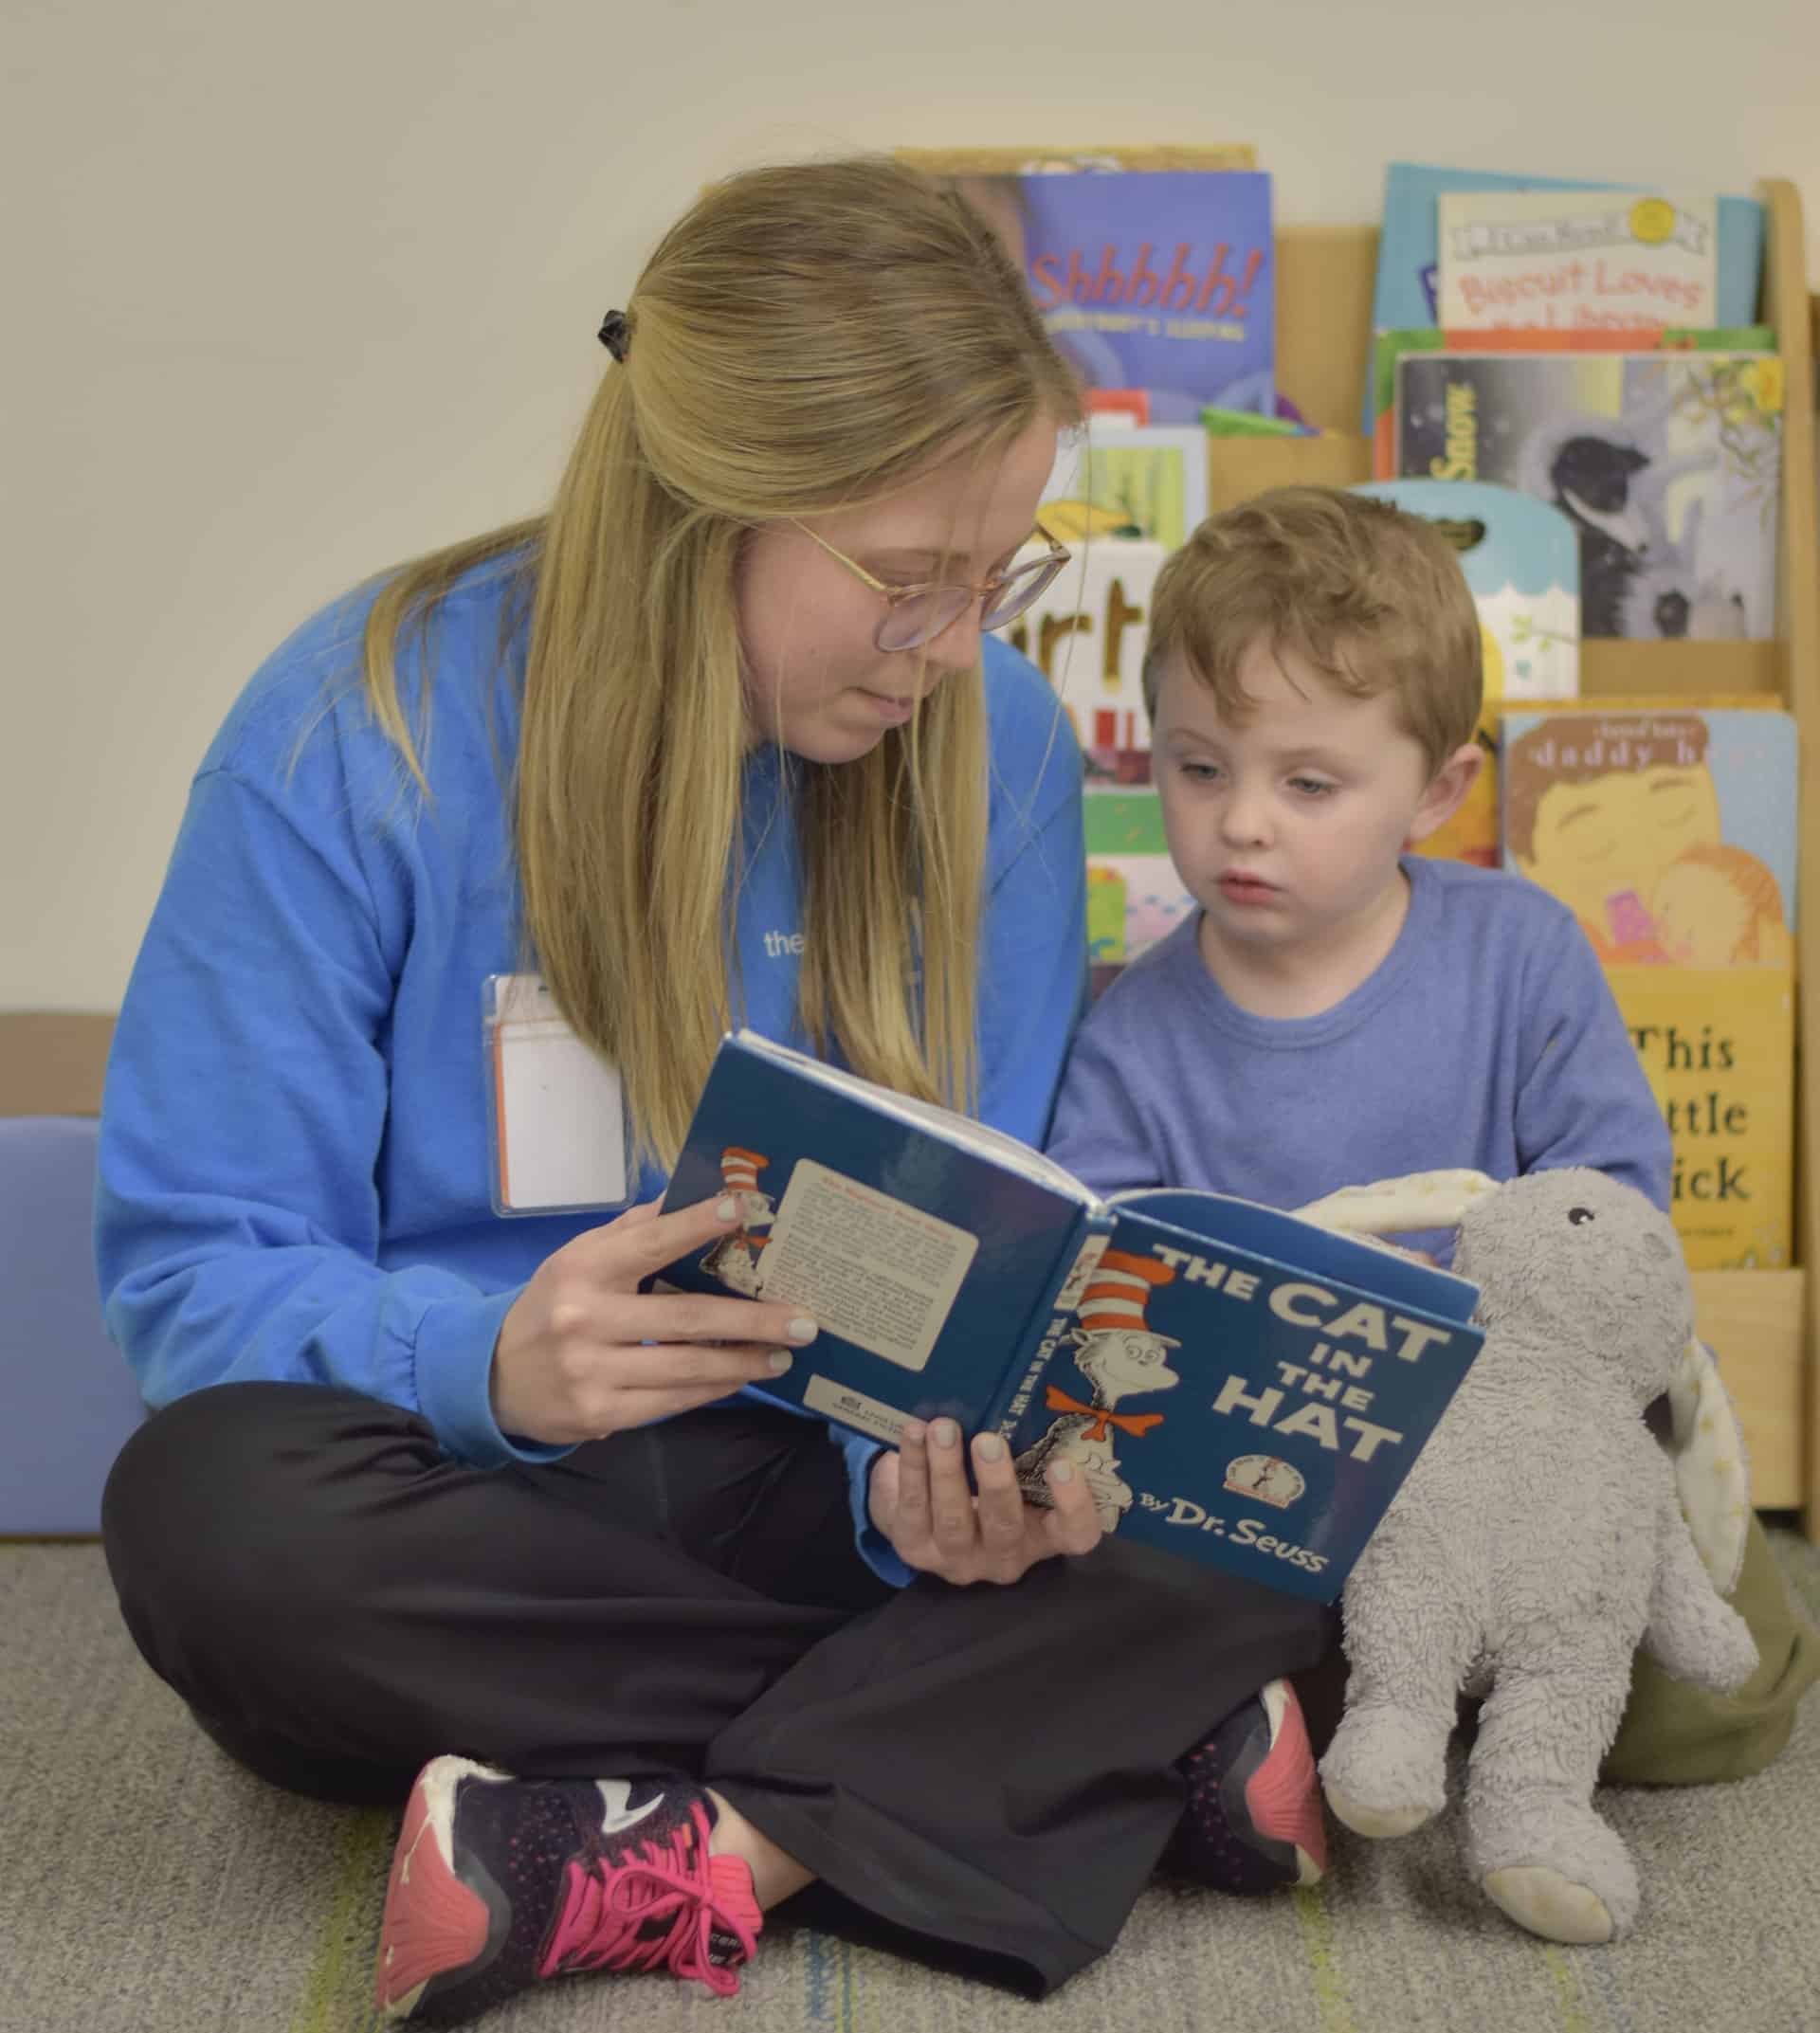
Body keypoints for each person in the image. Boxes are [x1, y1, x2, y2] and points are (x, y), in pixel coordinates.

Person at [96, 159, 1335, 2030]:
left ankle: (692, 1839)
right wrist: (493, 1360)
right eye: (909, 584)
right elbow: (196, 1271)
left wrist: (940, 1503)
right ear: (706, 503)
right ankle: (1076, 1732)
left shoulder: (986, 745)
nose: (954, 646)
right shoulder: (360, 727)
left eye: (999, 575)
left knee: (1277, 1504)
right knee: (209, 1525)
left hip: (810, 1493)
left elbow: (996, 1228)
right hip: (475, 1489)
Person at [1045, 483, 1818, 1803]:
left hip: (1519, 1441)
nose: (1241, 820)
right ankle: (1304, 1709)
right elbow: (1107, 1287)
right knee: (1111, 1605)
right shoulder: (1132, 1034)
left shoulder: (1519, 952)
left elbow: (1615, 1208)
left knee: (1708, 1708)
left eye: (1308, 782)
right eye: (1198, 765)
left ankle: (1390, 1709)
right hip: (1278, 1490)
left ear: (1439, 788)